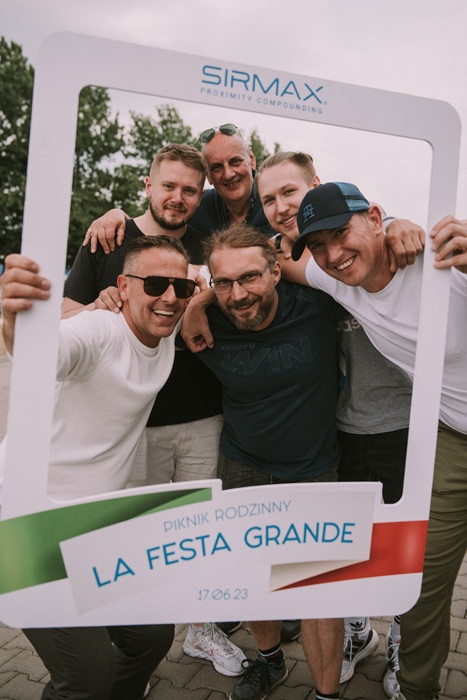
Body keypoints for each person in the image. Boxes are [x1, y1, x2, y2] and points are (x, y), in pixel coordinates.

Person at [62, 143, 244, 678]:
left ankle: (200, 631)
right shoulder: (110, 236)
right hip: (135, 424)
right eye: (168, 186)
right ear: (148, 185)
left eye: (190, 190)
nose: (178, 198)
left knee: (196, 531)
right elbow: (67, 311)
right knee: (136, 537)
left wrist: (202, 299)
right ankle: (129, 648)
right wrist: (99, 308)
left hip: (204, 412)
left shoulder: (208, 241)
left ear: (201, 196)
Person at [286, 181, 467, 700]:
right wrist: (203, 297)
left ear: (374, 217)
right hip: (453, 435)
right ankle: (416, 688)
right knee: (422, 581)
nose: (333, 254)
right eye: (318, 245)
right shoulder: (335, 276)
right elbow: (272, 259)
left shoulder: (442, 261)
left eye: (340, 233)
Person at [1, 235, 194, 700]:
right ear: (123, 287)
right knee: (88, 678)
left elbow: (212, 277)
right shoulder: (100, 331)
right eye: (155, 284)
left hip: (92, 530)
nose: (170, 297)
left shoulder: (164, 328)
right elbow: (45, 355)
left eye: (181, 287)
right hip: (26, 527)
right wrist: (14, 318)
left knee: (152, 638)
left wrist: (202, 299)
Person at [256, 152, 414, 695]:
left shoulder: (372, 241)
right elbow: (247, 266)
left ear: (316, 186)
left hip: (402, 424)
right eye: (268, 199)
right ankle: (357, 632)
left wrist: (399, 225)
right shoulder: (305, 261)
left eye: (289, 192)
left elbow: (382, 229)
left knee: (402, 549)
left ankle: (402, 645)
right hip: (341, 428)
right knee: (345, 546)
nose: (281, 207)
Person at [180, 223, 344, 700]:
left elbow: (368, 265)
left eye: (249, 277)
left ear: (275, 271)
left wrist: (397, 228)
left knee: (319, 592)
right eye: (223, 283)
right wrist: (196, 304)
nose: (238, 295)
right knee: (250, 580)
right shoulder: (209, 322)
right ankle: (270, 662)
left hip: (315, 469)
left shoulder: (318, 305)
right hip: (244, 464)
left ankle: (327, 694)